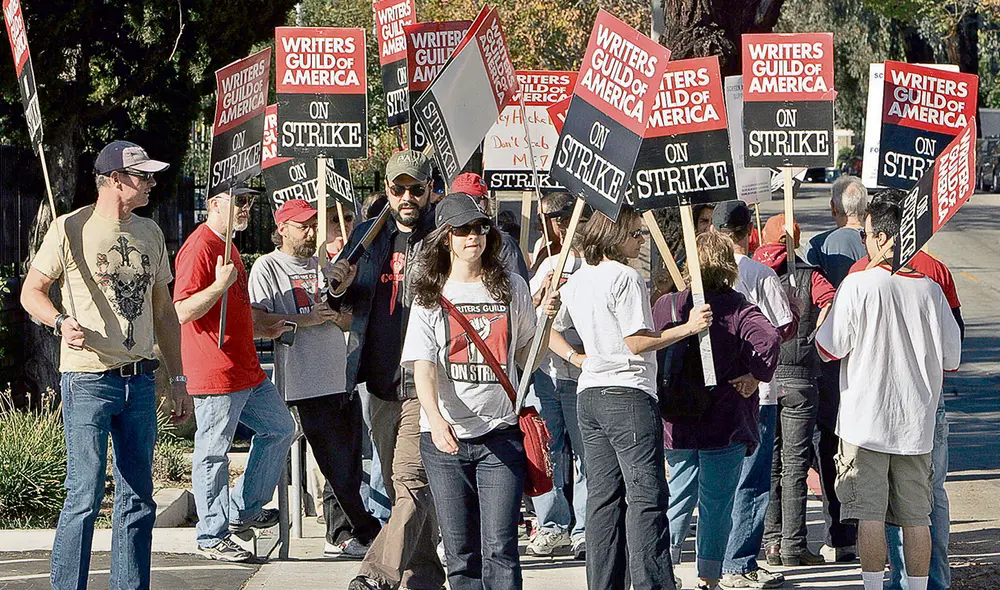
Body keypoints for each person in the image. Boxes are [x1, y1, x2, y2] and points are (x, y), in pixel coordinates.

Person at [19, 140, 191, 589]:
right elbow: (31, 292)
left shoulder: (150, 232)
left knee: (138, 500)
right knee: (84, 495)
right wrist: (59, 321)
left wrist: (177, 378)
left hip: (139, 379)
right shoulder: (68, 228)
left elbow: (164, 312)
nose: (153, 183)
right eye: (143, 176)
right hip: (88, 377)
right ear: (115, 181)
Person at [548, 205, 712, 590]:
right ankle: (652, 583)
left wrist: (577, 357)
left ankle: (604, 583)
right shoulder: (625, 276)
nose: (641, 241)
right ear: (615, 234)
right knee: (646, 495)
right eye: (636, 233)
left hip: (590, 393)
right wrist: (688, 328)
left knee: (603, 498)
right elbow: (637, 341)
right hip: (628, 392)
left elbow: (548, 328)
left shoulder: (578, 278)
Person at [402, 193, 558, 590]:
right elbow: (424, 366)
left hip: (500, 435)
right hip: (445, 439)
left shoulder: (512, 287)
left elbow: (527, 358)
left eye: (480, 227)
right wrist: (435, 420)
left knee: (501, 548)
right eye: (464, 230)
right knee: (460, 552)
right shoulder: (429, 296)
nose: (475, 236)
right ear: (446, 238)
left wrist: (545, 323)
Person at [815, 194, 962, 590]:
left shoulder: (857, 285)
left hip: (866, 423)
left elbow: (829, 348)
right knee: (918, 517)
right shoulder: (931, 291)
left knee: (870, 515)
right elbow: (952, 358)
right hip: (916, 424)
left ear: (881, 238)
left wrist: (823, 318)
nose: (863, 242)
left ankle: (873, 586)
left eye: (865, 236)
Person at [332, 150, 446, 590]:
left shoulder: (441, 238)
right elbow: (341, 299)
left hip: (424, 378)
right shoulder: (366, 236)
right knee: (407, 490)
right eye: (398, 189)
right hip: (378, 383)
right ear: (386, 189)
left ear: (430, 189)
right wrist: (337, 285)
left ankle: (376, 573)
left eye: (416, 189)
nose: (407, 197)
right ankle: (424, 575)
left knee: (411, 478)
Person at [248, 199, 382, 558]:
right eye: (302, 225)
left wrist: (340, 297)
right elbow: (258, 321)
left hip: (340, 374)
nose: (310, 232)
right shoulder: (267, 267)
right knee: (334, 460)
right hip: (303, 378)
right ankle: (365, 529)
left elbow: (345, 314)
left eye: (313, 225)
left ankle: (340, 533)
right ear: (282, 229)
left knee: (348, 463)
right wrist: (309, 319)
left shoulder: (323, 265)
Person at [174, 186, 295, 562]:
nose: (247, 208)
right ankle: (212, 534)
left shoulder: (229, 245)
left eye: (251, 201)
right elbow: (183, 310)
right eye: (240, 201)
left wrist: (263, 330)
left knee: (280, 428)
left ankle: (242, 510)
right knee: (213, 452)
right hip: (216, 370)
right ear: (214, 204)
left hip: (245, 368)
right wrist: (218, 284)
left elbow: (232, 311)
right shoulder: (200, 247)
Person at [658, 230, 781, 590]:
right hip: (724, 420)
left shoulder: (667, 304)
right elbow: (770, 339)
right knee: (716, 505)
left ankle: (663, 568)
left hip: (676, 420)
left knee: (677, 498)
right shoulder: (737, 306)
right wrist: (756, 375)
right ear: (727, 266)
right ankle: (709, 577)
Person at [711, 201, 794, 590]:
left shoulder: (696, 273)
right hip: (756, 391)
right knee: (752, 477)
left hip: (710, 391)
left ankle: (714, 561)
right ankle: (738, 562)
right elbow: (781, 329)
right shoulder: (759, 273)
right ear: (749, 233)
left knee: (716, 479)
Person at [754, 214, 835, 567]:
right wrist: (812, 337)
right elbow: (830, 301)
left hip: (764, 378)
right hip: (802, 376)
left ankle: (770, 542)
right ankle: (793, 545)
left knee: (770, 464)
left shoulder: (752, 272)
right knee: (795, 465)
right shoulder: (810, 274)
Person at [804, 175, 870, 563]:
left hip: (832, 362)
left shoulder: (819, 247)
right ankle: (877, 529)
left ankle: (841, 533)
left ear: (834, 210)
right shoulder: (887, 244)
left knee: (829, 445)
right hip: (874, 361)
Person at [525, 192, 588, 560]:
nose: (563, 225)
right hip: (548, 372)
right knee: (547, 448)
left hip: (581, 370)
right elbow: (526, 315)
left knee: (583, 453)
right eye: (556, 220)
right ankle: (552, 524)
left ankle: (583, 527)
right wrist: (541, 297)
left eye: (570, 218)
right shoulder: (550, 262)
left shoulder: (592, 265)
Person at [450, 172, 530, 282]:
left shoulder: (504, 243)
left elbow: (517, 291)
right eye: (462, 201)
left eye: (476, 200)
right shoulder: (441, 239)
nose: (468, 207)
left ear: (486, 203)